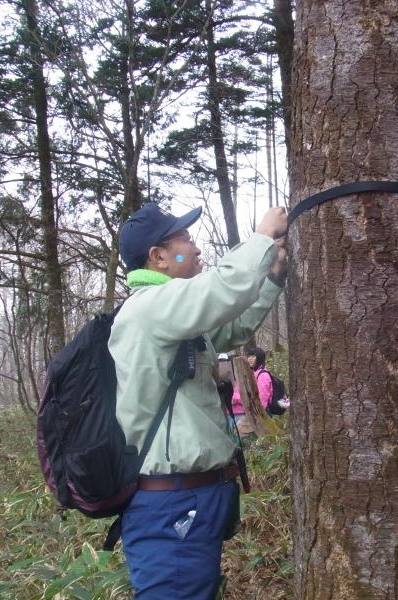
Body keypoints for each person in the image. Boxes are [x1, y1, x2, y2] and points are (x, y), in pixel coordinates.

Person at [109, 202, 287, 599]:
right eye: (185, 241)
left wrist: (273, 279)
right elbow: (223, 290)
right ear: (158, 257)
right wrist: (261, 239)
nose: (195, 248)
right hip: (171, 506)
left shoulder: (173, 314)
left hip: (188, 500)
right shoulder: (152, 307)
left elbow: (232, 327)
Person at [231, 346, 272, 418]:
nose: (249, 359)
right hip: (241, 413)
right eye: (249, 356)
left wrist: (235, 398)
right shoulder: (250, 373)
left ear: (260, 358)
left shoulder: (263, 375)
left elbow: (261, 400)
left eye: (253, 356)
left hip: (252, 416)